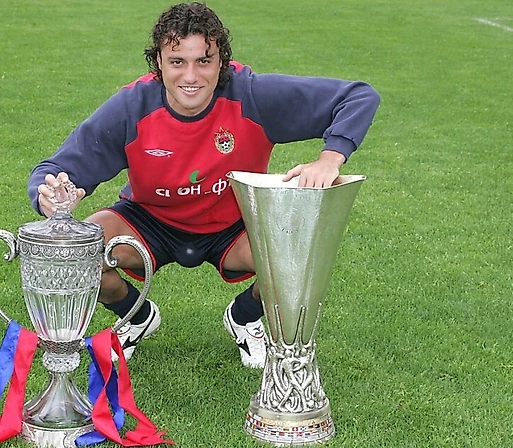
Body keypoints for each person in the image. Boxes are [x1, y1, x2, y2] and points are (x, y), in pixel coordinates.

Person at [27, 2, 380, 368]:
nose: (191, 76)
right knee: (76, 252)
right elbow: (55, 169)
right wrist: (50, 195)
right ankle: (136, 316)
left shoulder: (252, 95)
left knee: (295, 257)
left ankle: (244, 317)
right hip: (149, 219)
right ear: (159, 63)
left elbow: (358, 96)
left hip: (232, 224)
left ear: (221, 62)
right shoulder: (133, 106)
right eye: (177, 61)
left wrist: (330, 159)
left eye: (204, 61)